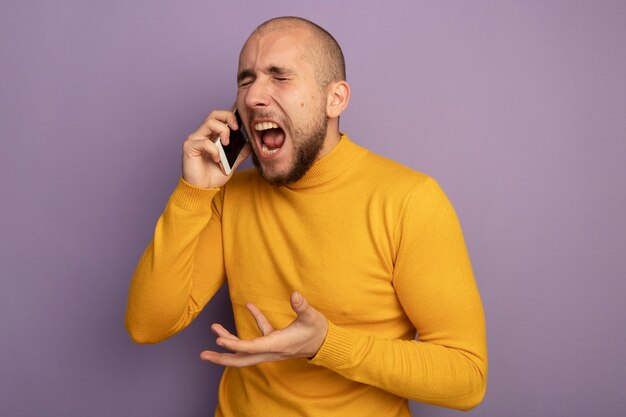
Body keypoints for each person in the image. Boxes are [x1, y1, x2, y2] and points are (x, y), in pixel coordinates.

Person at [125, 16, 487, 417]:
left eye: (280, 77)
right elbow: (147, 324)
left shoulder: (409, 200)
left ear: (335, 99)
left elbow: (466, 377)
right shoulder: (232, 197)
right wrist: (194, 192)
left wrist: (324, 343)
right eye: (246, 80)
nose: (253, 97)